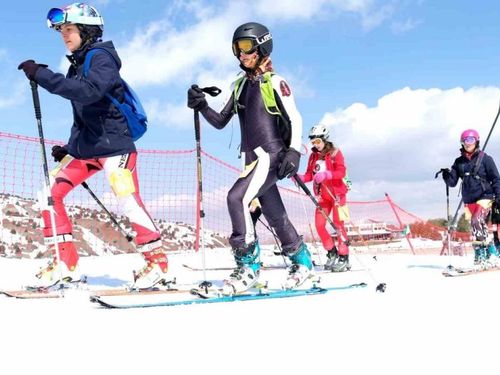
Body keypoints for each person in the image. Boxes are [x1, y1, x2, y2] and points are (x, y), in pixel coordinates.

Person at [17, 3, 167, 288]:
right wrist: (70, 148)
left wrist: (43, 76)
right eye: (61, 30)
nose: (64, 34)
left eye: (69, 29)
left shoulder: (101, 58)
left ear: (86, 31)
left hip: (116, 149)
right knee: (49, 193)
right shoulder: (77, 65)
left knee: (127, 199)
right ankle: (66, 263)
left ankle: (156, 261)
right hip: (88, 150)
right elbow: (85, 116)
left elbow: (90, 92)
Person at [187, 22, 312, 293]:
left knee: (236, 198)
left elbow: (295, 117)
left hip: (272, 153)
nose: (240, 54)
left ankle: (249, 267)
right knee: (274, 214)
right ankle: (302, 263)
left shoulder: (275, 82)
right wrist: (201, 105)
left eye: (245, 47)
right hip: (252, 159)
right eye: (236, 49)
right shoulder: (240, 86)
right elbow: (220, 121)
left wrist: (294, 151)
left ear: (261, 46)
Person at [441, 129, 500, 265]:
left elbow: (496, 179)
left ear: (476, 141)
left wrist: (499, 197)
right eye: (464, 141)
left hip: (485, 196)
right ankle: (483, 253)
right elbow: (452, 183)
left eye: (470, 140)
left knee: (477, 220)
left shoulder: (485, 159)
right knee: (476, 226)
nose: (467, 143)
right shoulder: (459, 162)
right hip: (469, 198)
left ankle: (489, 251)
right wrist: (446, 175)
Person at [297, 124, 351, 272]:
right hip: (322, 196)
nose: (316, 145)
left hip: (338, 195)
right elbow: (310, 174)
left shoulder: (335, 152)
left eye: (318, 142)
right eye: (313, 142)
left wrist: (328, 174)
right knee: (319, 225)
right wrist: (301, 178)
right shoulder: (313, 156)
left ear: (325, 139)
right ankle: (331, 252)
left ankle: (343, 256)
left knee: (339, 226)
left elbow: (342, 171)